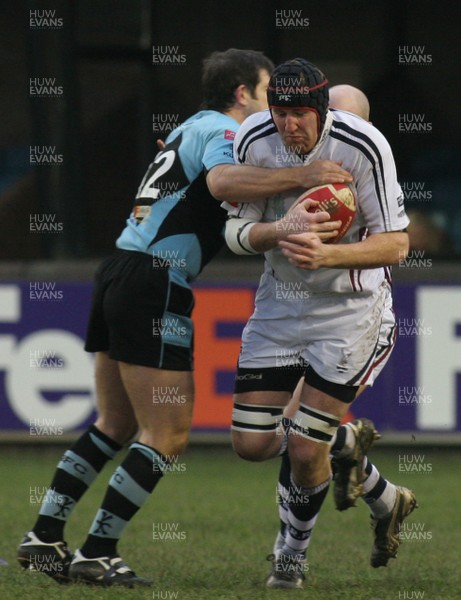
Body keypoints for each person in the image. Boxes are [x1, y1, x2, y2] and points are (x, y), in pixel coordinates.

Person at [17, 48, 352, 587]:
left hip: (120, 270)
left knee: (117, 425)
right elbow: (221, 184)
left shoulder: (192, 127)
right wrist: (306, 175)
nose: (280, 108)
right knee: (167, 434)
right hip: (154, 282)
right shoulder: (222, 127)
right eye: (270, 92)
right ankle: (97, 550)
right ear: (243, 93)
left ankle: (44, 536)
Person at [223, 59, 417, 590]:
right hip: (280, 306)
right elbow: (235, 230)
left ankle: (291, 554)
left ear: (323, 109)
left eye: (300, 114)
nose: (289, 125)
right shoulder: (255, 139)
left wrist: (328, 257)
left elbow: (398, 243)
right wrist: (279, 229)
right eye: (280, 112)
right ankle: (382, 492)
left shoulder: (365, 145)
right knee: (250, 444)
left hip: (349, 312)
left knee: (307, 448)